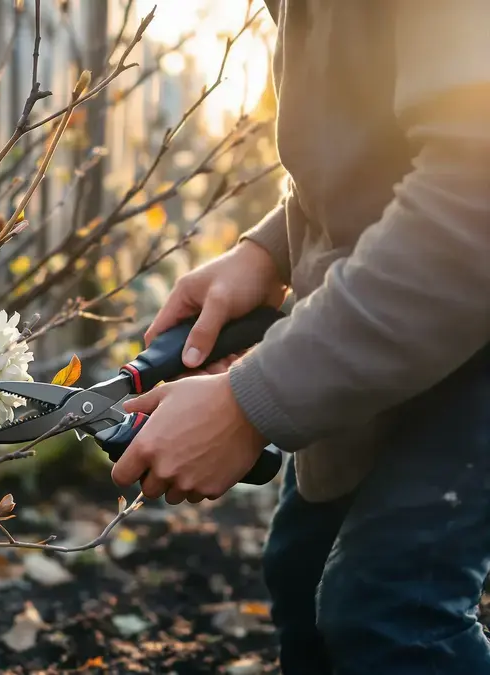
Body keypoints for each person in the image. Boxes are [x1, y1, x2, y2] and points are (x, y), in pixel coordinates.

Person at [107, 1, 490, 673]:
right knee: (302, 574)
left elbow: (474, 201)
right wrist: (272, 249)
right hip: (402, 311)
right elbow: (373, 144)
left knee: (390, 613)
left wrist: (248, 400)